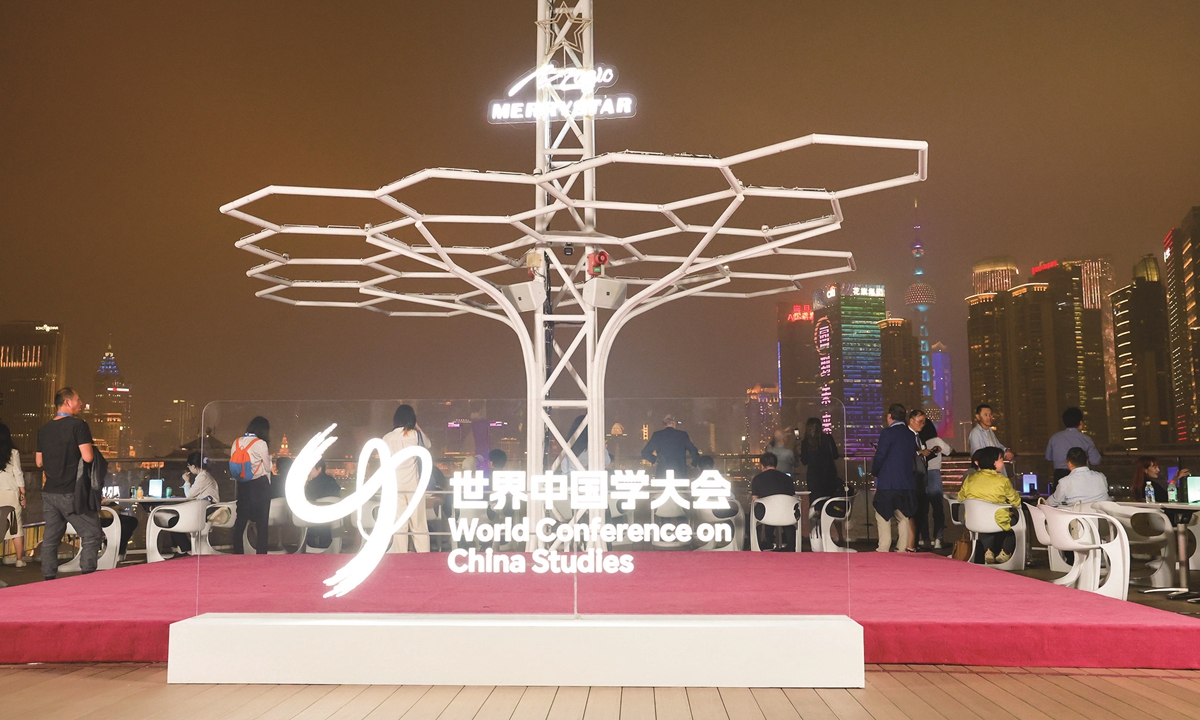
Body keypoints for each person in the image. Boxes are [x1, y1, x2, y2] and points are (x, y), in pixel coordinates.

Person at [36, 388, 100, 579]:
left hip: (49, 492)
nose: (80, 403)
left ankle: (48, 576)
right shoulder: (78, 426)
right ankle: (87, 575)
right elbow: (88, 457)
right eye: (78, 400)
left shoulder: (44, 429)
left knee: (51, 538)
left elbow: (39, 462)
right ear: (67, 402)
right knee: (91, 533)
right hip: (71, 490)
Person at [957, 447, 1022, 564]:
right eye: (1001, 459)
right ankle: (1005, 553)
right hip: (997, 521)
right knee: (1016, 522)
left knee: (986, 524)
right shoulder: (1003, 480)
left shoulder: (970, 478)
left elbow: (961, 497)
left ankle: (988, 550)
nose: (1003, 462)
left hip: (974, 521)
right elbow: (1016, 501)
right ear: (993, 462)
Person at [383, 404, 432, 553]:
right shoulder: (415, 435)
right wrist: (416, 426)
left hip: (395, 486)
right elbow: (428, 444)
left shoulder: (386, 438)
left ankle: (400, 557)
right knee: (418, 525)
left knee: (399, 524)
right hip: (414, 486)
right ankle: (424, 556)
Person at [870, 403, 918, 553]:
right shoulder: (910, 435)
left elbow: (880, 456)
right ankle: (902, 549)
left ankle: (883, 547)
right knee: (903, 515)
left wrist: (875, 471)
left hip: (888, 482)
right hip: (906, 482)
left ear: (890, 416)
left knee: (882, 514)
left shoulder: (887, 433)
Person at [231, 416, 273, 554]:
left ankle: (238, 553)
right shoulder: (261, 443)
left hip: (243, 484)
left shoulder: (236, 442)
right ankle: (261, 555)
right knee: (262, 524)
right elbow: (267, 468)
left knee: (240, 522)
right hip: (259, 485)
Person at [749, 452, 797, 551]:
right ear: (776, 465)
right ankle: (791, 545)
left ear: (762, 465)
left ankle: (765, 542)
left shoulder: (757, 479)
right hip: (787, 514)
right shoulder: (787, 479)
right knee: (787, 513)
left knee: (762, 509)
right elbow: (791, 497)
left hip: (767, 515)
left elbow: (755, 500)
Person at [919, 419, 952, 549]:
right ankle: (938, 539)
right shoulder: (937, 440)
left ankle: (925, 539)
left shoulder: (918, 441)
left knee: (923, 510)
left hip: (920, 475)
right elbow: (949, 451)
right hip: (934, 474)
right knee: (938, 509)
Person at [1045, 408, 1101, 484]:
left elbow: (1048, 457)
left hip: (1060, 476)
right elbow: (1095, 461)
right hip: (1080, 477)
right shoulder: (1086, 439)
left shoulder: (1054, 438)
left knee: (1058, 495)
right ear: (1080, 422)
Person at [1047, 447, 1111, 507]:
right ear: (1087, 461)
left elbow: (1053, 502)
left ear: (1069, 463)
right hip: (1102, 516)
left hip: (1079, 517)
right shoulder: (1101, 477)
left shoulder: (1065, 482)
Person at [0, 422, 26, 567]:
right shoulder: (13, 452)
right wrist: (22, 492)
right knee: (16, 525)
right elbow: (18, 473)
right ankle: (19, 560)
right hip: (10, 492)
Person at [907, 409, 933, 551]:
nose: (922, 425)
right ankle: (912, 544)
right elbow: (906, 454)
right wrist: (920, 452)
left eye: (924, 422)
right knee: (915, 512)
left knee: (921, 511)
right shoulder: (907, 436)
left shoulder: (918, 436)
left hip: (921, 478)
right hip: (914, 478)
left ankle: (914, 543)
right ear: (911, 420)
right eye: (920, 421)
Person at [798, 417, 842, 499]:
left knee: (815, 502)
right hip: (829, 476)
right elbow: (836, 455)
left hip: (814, 478)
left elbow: (804, 461)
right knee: (829, 501)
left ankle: (817, 511)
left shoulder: (806, 442)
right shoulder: (828, 438)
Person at [303, 459, 342, 550]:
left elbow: (307, 501)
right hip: (334, 517)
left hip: (315, 518)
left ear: (319, 469)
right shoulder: (332, 481)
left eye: (311, 469)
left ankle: (309, 545)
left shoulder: (312, 484)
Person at [968, 404, 1014, 473]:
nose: (989, 417)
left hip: (995, 472)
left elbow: (998, 446)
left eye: (990, 414)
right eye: (985, 415)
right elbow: (977, 456)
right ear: (978, 417)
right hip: (986, 475)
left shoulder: (990, 431)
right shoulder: (975, 433)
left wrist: (1006, 451)